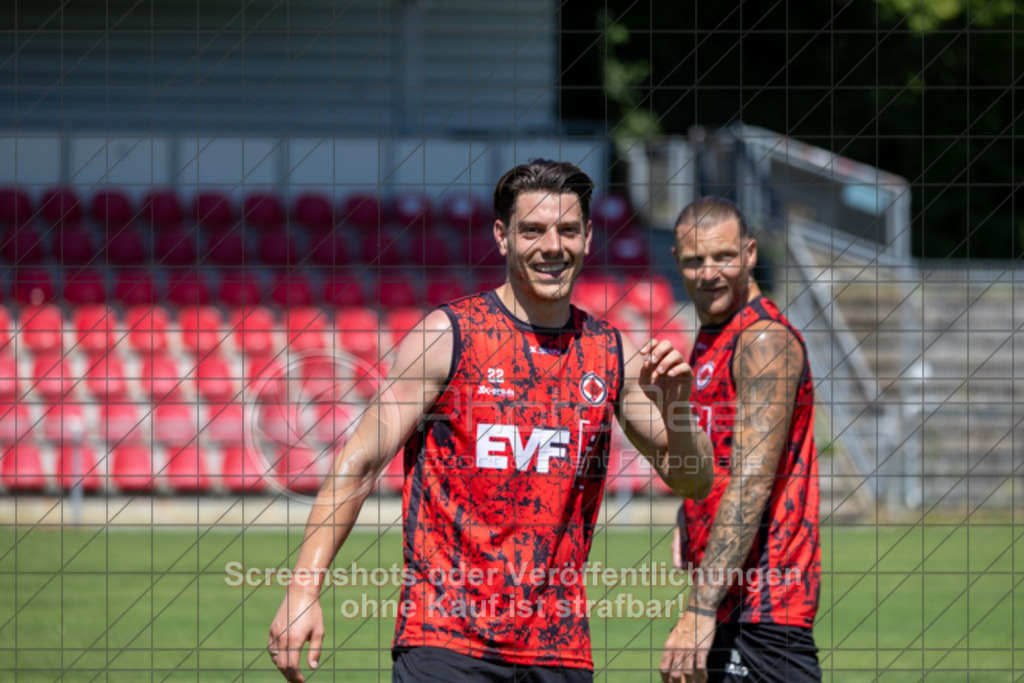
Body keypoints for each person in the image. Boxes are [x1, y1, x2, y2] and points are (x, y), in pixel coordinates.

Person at [268, 159, 715, 683]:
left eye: (568, 230)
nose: (553, 247)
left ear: (589, 237)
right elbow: (360, 462)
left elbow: (694, 477)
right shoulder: (447, 337)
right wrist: (303, 588)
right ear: (503, 236)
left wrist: (679, 411)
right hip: (445, 641)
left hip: (558, 650)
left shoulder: (611, 354)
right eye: (533, 230)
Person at [660, 197, 822, 683]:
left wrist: (698, 611)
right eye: (694, 260)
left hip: (766, 606)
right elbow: (724, 454)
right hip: (733, 603)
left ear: (750, 253)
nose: (709, 273)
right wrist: (690, 512)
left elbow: (753, 478)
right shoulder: (715, 334)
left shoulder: (763, 340)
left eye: (723, 257)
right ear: (676, 261)